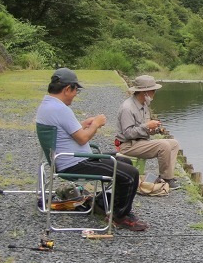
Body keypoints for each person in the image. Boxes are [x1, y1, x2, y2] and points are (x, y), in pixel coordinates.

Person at [35, 68, 147, 231]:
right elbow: (82, 138)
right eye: (75, 91)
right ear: (67, 89)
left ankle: (102, 203)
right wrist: (96, 124)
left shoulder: (47, 105)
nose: (75, 95)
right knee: (130, 174)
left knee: (124, 161)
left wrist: (82, 124)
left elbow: (66, 132)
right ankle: (120, 216)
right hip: (74, 163)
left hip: (70, 158)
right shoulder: (61, 109)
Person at [115, 75, 182, 190]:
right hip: (127, 145)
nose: (154, 93)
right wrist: (147, 126)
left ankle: (168, 176)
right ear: (144, 92)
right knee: (163, 145)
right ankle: (166, 179)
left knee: (174, 143)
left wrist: (155, 129)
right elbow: (128, 133)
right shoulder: (127, 108)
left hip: (141, 142)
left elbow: (144, 129)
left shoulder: (144, 105)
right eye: (153, 90)